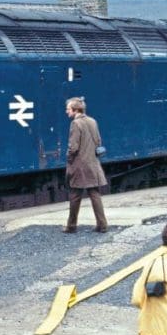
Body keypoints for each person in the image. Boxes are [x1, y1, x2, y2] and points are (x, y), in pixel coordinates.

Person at [63, 97, 108, 233]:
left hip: (79, 165)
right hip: (93, 163)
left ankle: (71, 226)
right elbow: (98, 141)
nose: (66, 112)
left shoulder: (76, 124)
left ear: (75, 110)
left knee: (75, 195)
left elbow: (73, 147)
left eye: (68, 109)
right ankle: (102, 225)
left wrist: (69, 159)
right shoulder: (92, 121)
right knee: (94, 194)